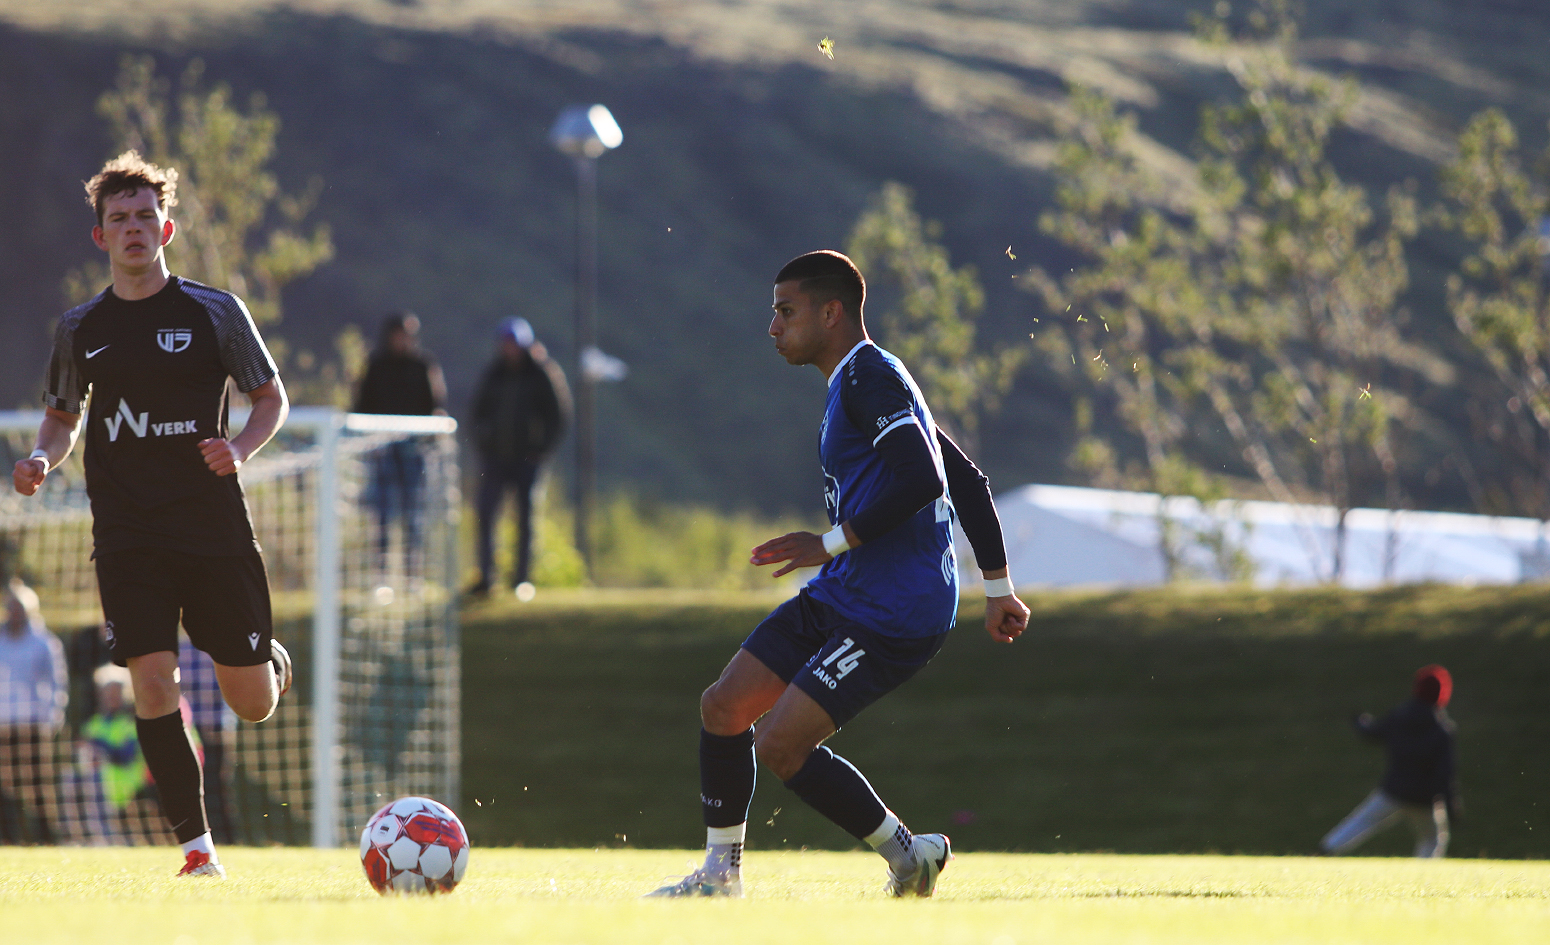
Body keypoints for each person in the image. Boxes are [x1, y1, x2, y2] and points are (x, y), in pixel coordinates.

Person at [647, 251, 1030, 899]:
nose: (774, 327)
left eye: (786, 311)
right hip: (849, 588)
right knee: (724, 706)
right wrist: (998, 588)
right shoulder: (860, 379)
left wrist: (828, 543)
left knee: (780, 744)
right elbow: (964, 477)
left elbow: (926, 478)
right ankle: (719, 875)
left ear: (831, 313)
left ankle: (909, 857)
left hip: (898, 607)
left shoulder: (869, 377)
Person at [11, 150, 293, 876]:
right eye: (120, 219)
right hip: (128, 531)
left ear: (166, 227)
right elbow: (62, 417)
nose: (134, 228)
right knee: (152, 682)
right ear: (100, 236)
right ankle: (198, 852)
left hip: (211, 524)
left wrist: (241, 448)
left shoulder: (215, 312)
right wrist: (42, 456)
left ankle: (269, 661)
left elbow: (271, 398)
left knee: (252, 703)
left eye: (145, 216)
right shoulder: (80, 328)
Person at [468, 317, 571, 596]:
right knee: (486, 514)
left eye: (514, 344)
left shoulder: (541, 374)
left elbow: (558, 415)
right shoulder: (494, 374)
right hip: (495, 458)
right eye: (506, 343)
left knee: (525, 518)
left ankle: (521, 579)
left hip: (528, 459)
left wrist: (542, 449)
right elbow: (477, 413)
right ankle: (486, 577)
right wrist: (484, 443)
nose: (509, 349)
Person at [1320, 665, 1459, 858]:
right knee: (1432, 840)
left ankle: (1326, 850)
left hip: (1394, 788)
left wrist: (1360, 721)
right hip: (1424, 797)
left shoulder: (1401, 715)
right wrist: (1451, 805)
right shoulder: (1441, 730)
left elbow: (1373, 732)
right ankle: (1424, 872)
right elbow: (1444, 773)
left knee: (1362, 821)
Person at [353, 313, 447, 575]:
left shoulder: (423, 365)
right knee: (382, 513)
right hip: (381, 450)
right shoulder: (376, 365)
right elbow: (362, 405)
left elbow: (435, 404)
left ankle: (412, 573)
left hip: (414, 451)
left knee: (413, 513)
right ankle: (381, 573)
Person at [0, 580, 67, 844]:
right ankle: (8, 839)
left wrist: (53, 716)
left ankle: (46, 838)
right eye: (11, 607)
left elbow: (56, 682)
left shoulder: (44, 642)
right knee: (5, 786)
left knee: (38, 785)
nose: (14, 612)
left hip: (33, 724)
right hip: (4, 724)